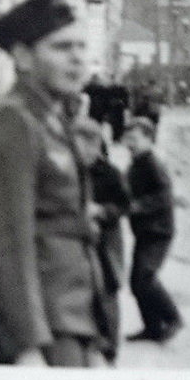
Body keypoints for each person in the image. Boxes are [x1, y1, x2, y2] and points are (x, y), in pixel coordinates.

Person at [0, 0, 110, 366]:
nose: (77, 58)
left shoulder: (51, 121)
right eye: (61, 47)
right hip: (35, 333)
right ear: (23, 57)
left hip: (68, 319)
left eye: (81, 47)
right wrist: (26, 348)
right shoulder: (12, 125)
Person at [75, 108, 130, 365]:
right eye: (79, 145)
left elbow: (124, 205)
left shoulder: (110, 173)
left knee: (107, 292)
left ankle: (110, 348)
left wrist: (102, 210)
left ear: (98, 146)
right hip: (79, 241)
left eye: (90, 146)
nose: (84, 152)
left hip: (107, 244)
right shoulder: (70, 171)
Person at [124, 117, 183, 343]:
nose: (129, 144)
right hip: (145, 230)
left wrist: (137, 206)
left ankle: (173, 318)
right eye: (127, 139)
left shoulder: (152, 163)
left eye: (135, 139)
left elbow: (164, 196)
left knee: (145, 277)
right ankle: (152, 328)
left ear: (149, 139)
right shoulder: (137, 162)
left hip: (159, 231)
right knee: (136, 281)